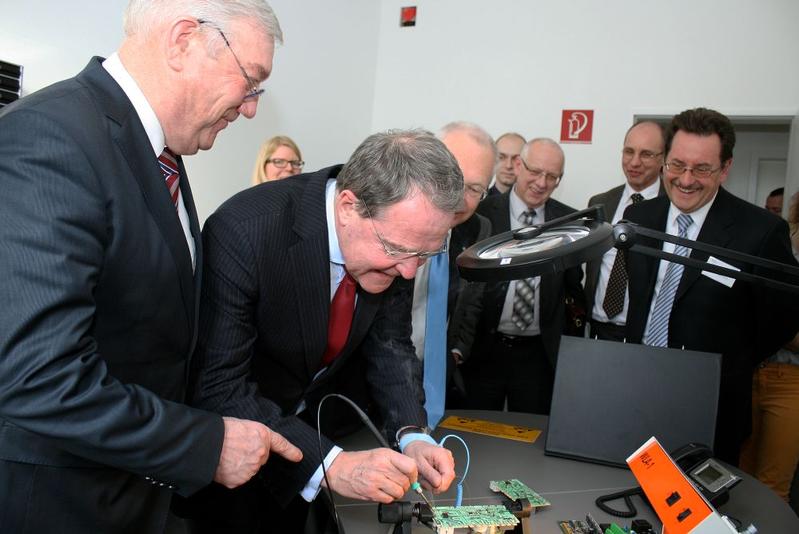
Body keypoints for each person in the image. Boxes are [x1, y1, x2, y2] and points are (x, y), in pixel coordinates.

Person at [0, 1, 303, 532]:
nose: (251, 108)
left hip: (132, 496)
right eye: (251, 81)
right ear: (184, 39)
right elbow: (39, 376)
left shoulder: (158, 151)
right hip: (58, 505)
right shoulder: (50, 137)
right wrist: (204, 445)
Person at [185, 129, 460, 532]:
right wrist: (331, 463)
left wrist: (411, 434)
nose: (407, 271)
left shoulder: (398, 240)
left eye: (424, 255)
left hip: (319, 449)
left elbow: (391, 346)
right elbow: (219, 385)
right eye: (399, 252)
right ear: (348, 206)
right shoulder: (245, 230)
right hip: (235, 469)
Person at [624, 108, 799, 465]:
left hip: (712, 404)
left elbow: (783, 317)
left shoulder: (760, 231)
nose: (686, 180)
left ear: (725, 168)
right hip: (637, 389)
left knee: (700, 512)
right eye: (677, 165)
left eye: (702, 169)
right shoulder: (639, 219)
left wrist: (731, 360)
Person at [460, 138, 584, 414]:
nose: (541, 183)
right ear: (518, 165)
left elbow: (574, 290)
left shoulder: (569, 222)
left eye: (552, 176)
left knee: (532, 434)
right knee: (472, 427)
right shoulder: (481, 214)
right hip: (483, 350)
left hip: (538, 355)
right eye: (535, 171)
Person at [409, 122, 494, 417]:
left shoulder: (477, 228)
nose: (459, 197)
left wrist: (456, 351)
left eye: (474, 188)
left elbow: (472, 296)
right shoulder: (391, 221)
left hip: (433, 375)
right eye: (452, 176)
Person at [584, 121, 665, 341]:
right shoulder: (601, 202)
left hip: (643, 333)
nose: (634, 162)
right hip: (596, 328)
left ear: (663, 159)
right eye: (629, 152)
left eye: (646, 154)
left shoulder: (670, 207)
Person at [488, 132, 525, 196]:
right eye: (501, 157)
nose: (509, 165)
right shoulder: (477, 204)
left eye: (516, 159)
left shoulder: (539, 204)